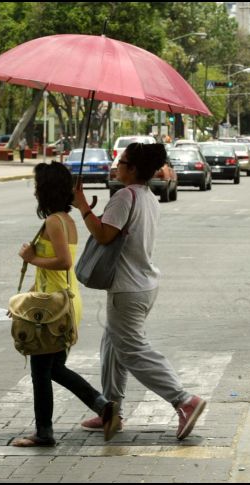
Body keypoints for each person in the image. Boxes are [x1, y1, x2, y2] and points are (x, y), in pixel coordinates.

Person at [73, 143, 205, 440]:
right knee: (112, 345)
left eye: (121, 162)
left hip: (127, 288)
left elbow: (105, 235)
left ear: (132, 169)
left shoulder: (124, 196)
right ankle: (111, 411)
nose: (117, 166)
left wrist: (81, 204)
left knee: (132, 349)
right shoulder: (147, 196)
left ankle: (184, 400)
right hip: (142, 284)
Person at [11, 162, 121, 447]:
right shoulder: (65, 220)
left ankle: (45, 432)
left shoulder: (54, 222)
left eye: (38, 186)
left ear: (47, 190)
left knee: (40, 370)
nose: (35, 192)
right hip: (63, 300)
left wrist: (30, 258)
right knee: (54, 368)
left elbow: (64, 262)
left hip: (55, 306)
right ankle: (103, 407)